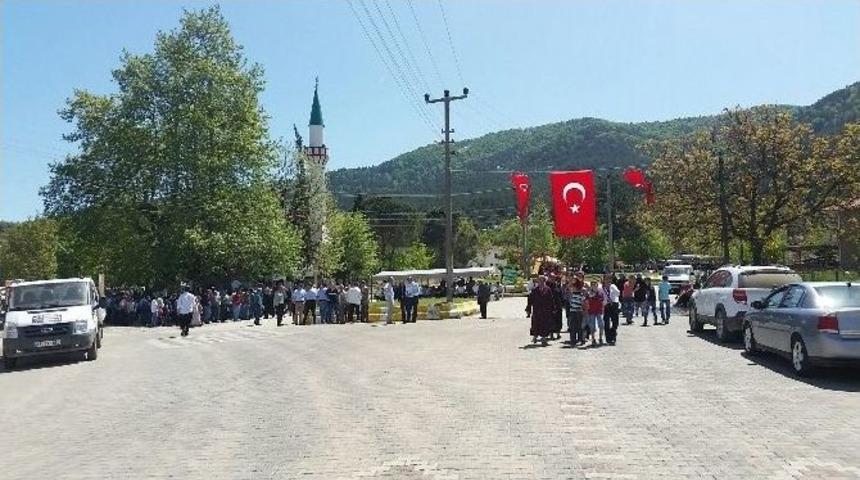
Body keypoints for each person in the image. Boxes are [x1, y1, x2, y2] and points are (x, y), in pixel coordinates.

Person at [525, 276, 555, 346]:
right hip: (537, 310)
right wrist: (528, 309)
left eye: (542, 281)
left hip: (545, 310)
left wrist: (553, 308)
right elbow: (530, 300)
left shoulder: (548, 289)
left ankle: (544, 339)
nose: (540, 282)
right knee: (535, 324)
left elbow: (551, 300)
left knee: (545, 324)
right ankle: (535, 336)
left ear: (544, 281)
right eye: (539, 281)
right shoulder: (534, 290)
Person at [585, 279, 606, 346]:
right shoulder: (588, 294)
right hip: (591, 311)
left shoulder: (600, 293)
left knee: (601, 325)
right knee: (592, 326)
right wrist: (589, 297)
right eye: (592, 285)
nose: (594, 286)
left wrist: (595, 296)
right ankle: (593, 339)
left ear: (597, 286)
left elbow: (602, 300)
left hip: (599, 311)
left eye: (595, 285)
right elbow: (586, 301)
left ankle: (600, 338)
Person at [602, 274, 620, 345]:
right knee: (606, 322)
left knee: (615, 322)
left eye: (609, 279)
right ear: (604, 280)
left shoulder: (613, 286)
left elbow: (618, 293)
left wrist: (612, 289)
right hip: (606, 305)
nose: (608, 280)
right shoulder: (601, 287)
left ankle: (613, 333)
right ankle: (608, 338)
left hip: (614, 304)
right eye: (606, 279)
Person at [567, 278, 585, 346]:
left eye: (574, 286)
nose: (572, 287)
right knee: (573, 326)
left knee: (580, 326)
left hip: (579, 311)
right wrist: (571, 281)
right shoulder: (572, 293)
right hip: (572, 311)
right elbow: (568, 287)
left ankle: (581, 339)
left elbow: (582, 303)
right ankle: (573, 340)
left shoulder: (581, 293)